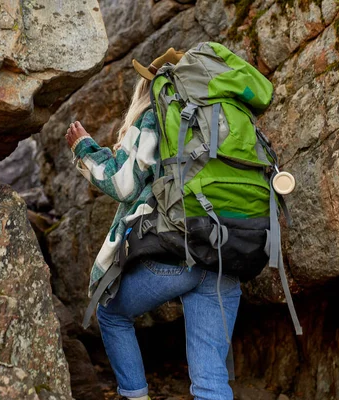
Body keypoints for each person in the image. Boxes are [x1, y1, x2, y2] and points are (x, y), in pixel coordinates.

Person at [65, 48, 241, 400]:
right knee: (210, 381)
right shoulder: (224, 118)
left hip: (177, 254)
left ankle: (135, 396)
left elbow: (123, 184)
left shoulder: (156, 115)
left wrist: (84, 150)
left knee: (111, 313)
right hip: (228, 253)